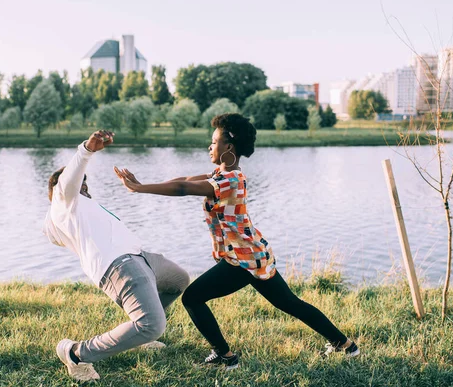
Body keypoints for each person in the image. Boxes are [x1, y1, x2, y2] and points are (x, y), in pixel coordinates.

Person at [115, 113, 359, 370]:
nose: (210, 146)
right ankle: (345, 345)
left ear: (228, 147)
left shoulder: (230, 180)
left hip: (242, 260)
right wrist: (141, 184)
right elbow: (185, 181)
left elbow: (183, 190)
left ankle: (225, 356)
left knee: (193, 298)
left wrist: (140, 189)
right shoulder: (221, 175)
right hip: (252, 255)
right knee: (290, 303)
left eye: (214, 142)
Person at [44, 130, 190, 382]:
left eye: (86, 183)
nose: (84, 185)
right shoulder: (64, 202)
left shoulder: (84, 207)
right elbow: (69, 180)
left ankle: (138, 334)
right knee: (152, 325)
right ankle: (76, 353)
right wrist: (86, 150)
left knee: (178, 280)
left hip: (140, 257)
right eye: (80, 182)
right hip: (119, 266)